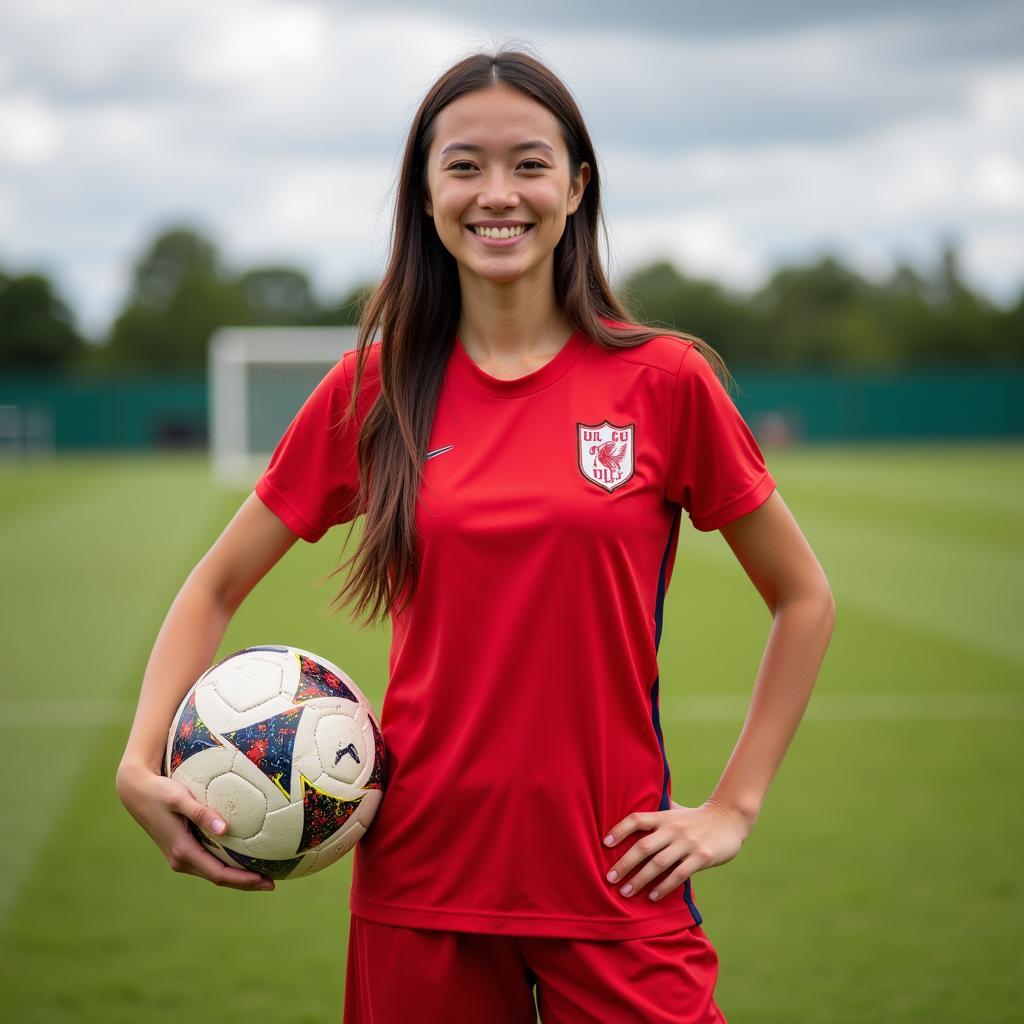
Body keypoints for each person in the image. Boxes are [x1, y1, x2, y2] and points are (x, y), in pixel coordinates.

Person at [116, 46, 836, 1024]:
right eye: (463, 165)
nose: (498, 192)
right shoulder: (373, 390)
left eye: (529, 163)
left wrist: (732, 806)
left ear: (576, 188)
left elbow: (803, 597)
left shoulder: (664, 383)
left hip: (614, 875)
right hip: (421, 885)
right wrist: (141, 758)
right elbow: (213, 584)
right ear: (423, 193)